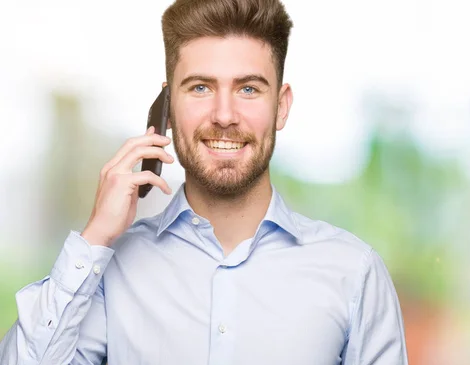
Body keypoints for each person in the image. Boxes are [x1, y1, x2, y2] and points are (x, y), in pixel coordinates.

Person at [0, 0, 408, 364]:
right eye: (200, 87)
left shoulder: (354, 273)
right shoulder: (107, 270)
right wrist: (94, 239)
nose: (225, 115)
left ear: (281, 107)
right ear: (167, 107)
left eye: (248, 88)